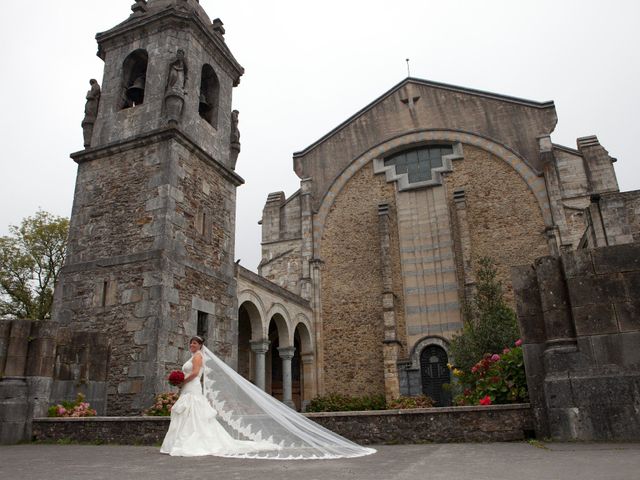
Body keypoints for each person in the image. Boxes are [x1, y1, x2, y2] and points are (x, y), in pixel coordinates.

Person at [160, 336, 376, 459]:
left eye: (195, 344)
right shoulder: (191, 356)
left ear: (200, 346)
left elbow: (196, 374)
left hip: (192, 387)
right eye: (191, 344)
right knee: (189, 415)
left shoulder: (198, 357)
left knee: (196, 415)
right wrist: (180, 382)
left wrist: (182, 380)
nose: (192, 346)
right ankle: (181, 441)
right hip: (188, 389)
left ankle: (196, 442)